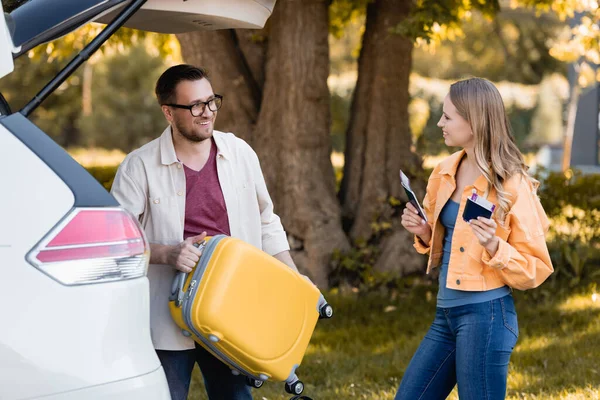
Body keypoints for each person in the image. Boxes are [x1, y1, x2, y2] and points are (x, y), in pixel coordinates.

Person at [111, 64, 303, 400]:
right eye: (196, 106)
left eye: (211, 101)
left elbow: (266, 220)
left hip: (231, 310)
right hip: (165, 317)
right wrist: (167, 253)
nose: (207, 113)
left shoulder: (240, 153)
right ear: (168, 112)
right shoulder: (138, 166)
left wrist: (294, 278)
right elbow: (116, 243)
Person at [396, 77, 554, 400]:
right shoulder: (444, 171)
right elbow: (443, 236)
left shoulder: (511, 184)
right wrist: (424, 232)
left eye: (448, 117)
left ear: (474, 122)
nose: (440, 123)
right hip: (446, 315)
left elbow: (537, 265)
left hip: (487, 318)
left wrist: (496, 246)